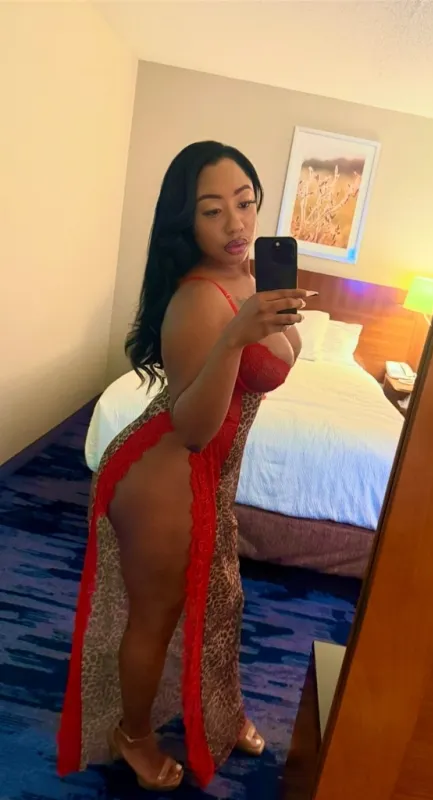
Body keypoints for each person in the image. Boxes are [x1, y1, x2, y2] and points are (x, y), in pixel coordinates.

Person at [57, 141, 307, 792]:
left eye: (245, 203)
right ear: (186, 222)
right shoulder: (197, 301)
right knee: (157, 613)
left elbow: (286, 351)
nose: (236, 224)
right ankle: (133, 735)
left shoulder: (249, 278)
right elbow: (194, 430)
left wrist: (270, 308)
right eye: (212, 211)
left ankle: (218, 708)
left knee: (221, 601)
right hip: (165, 473)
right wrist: (235, 338)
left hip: (209, 477)